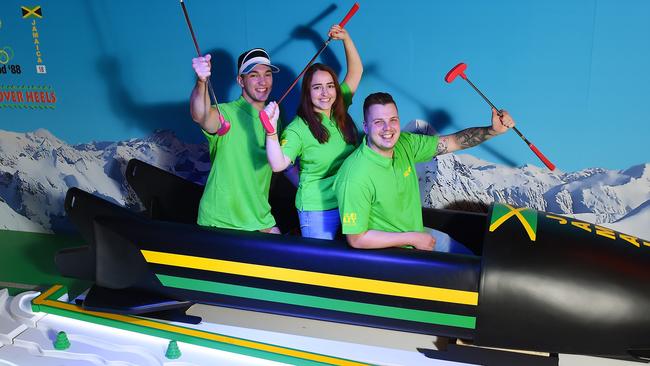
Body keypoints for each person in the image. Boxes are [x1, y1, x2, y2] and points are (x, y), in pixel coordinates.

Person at [333, 92, 516, 251]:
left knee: (469, 260)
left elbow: (452, 142)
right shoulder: (354, 176)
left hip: (417, 234)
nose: (387, 128)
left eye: (392, 120)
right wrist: (412, 238)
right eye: (379, 122)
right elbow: (356, 239)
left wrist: (492, 131)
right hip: (391, 252)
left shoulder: (405, 144)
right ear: (365, 127)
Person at [262, 25, 362, 239]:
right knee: (322, 267)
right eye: (317, 87)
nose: (325, 93)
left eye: (330, 86)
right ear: (307, 92)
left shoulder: (340, 107)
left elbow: (356, 72)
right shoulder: (299, 128)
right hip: (318, 210)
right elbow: (279, 164)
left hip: (350, 202)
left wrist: (346, 38)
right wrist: (271, 132)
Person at [190, 48, 282, 233]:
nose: (263, 81)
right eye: (254, 75)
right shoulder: (226, 112)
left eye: (267, 74)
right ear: (241, 80)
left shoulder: (274, 117)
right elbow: (200, 115)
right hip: (220, 222)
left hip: (259, 218)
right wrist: (201, 82)